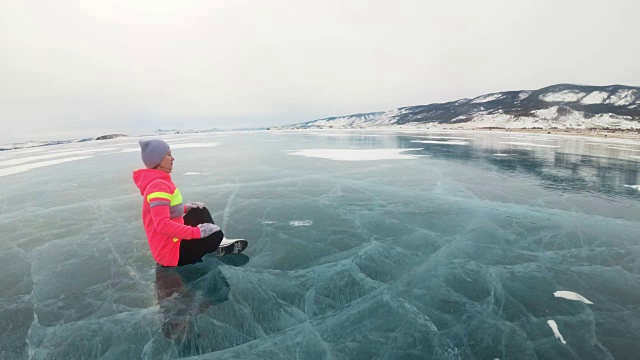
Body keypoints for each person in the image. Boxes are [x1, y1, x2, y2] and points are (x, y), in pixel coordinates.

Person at [133, 139, 244, 267]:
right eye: (168, 154)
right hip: (171, 253)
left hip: (172, 241)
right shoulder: (158, 186)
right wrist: (197, 232)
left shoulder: (160, 182)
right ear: (158, 160)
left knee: (199, 211)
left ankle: (217, 243)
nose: (173, 158)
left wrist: (185, 208)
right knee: (214, 236)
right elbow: (162, 225)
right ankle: (216, 244)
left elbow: (167, 211)